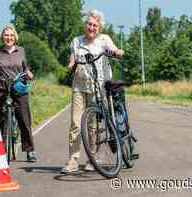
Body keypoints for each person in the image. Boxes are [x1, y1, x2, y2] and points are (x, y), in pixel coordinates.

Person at [61, 10, 124, 173]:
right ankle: (73, 160)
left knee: (93, 125)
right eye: (89, 24)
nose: (92, 27)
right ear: (85, 25)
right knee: (76, 122)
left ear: (99, 27)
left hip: (98, 86)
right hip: (79, 86)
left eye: (95, 25)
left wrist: (118, 52)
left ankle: (92, 158)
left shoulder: (104, 39)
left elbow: (116, 50)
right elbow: (72, 60)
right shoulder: (76, 41)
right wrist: (70, 66)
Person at [0, 24, 36, 162]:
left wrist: (29, 74)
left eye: (11, 35)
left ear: (15, 37)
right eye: (6, 35)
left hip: (18, 86)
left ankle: (30, 150)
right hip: (0, 86)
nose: (9, 38)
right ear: (2, 37)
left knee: (24, 118)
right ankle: (0, 147)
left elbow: (26, 68)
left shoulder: (21, 51)